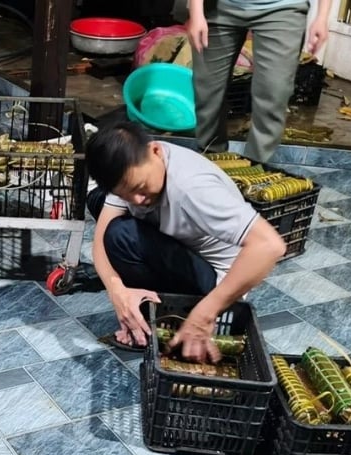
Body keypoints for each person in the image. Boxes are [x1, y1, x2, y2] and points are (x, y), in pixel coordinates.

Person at [86, 122, 287, 362]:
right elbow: (99, 237)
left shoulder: (193, 189)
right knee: (99, 203)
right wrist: (117, 291)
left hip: (218, 283)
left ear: (156, 151)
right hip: (183, 246)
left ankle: (162, 320)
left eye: (140, 188)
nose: (137, 199)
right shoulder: (133, 166)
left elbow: (270, 246)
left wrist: (204, 314)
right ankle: (142, 307)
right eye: (125, 194)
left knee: (122, 236)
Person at [186, 0, 331, 162]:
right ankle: (211, 162)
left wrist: (322, 16)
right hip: (219, 8)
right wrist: (196, 12)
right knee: (207, 94)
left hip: (283, 9)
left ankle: (255, 172)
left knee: (273, 95)